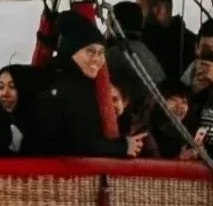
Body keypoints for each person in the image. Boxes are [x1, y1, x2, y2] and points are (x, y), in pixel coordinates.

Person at [32, 10, 145, 158]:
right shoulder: (72, 89)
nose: (97, 59)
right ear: (71, 51)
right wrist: (123, 147)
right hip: (56, 174)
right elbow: (82, 144)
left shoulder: (57, 77)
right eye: (90, 52)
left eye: (100, 53)